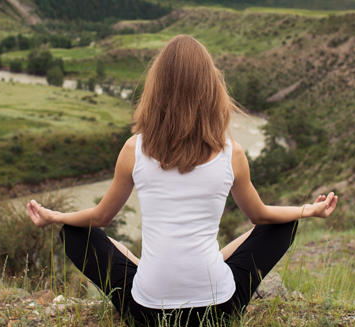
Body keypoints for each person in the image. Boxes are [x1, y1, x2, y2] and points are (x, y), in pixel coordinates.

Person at [26, 35, 338, 326]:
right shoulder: (232, 153)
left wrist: (55, 217)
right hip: (219, 310)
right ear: (211, 90)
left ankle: (150, 272)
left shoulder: (134, 148)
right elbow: (261, 216)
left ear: (156, 89)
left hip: (147, 314)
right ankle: (207, 269)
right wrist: (306, 210)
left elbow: (100, 218)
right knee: (285, 222)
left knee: (74, 233)